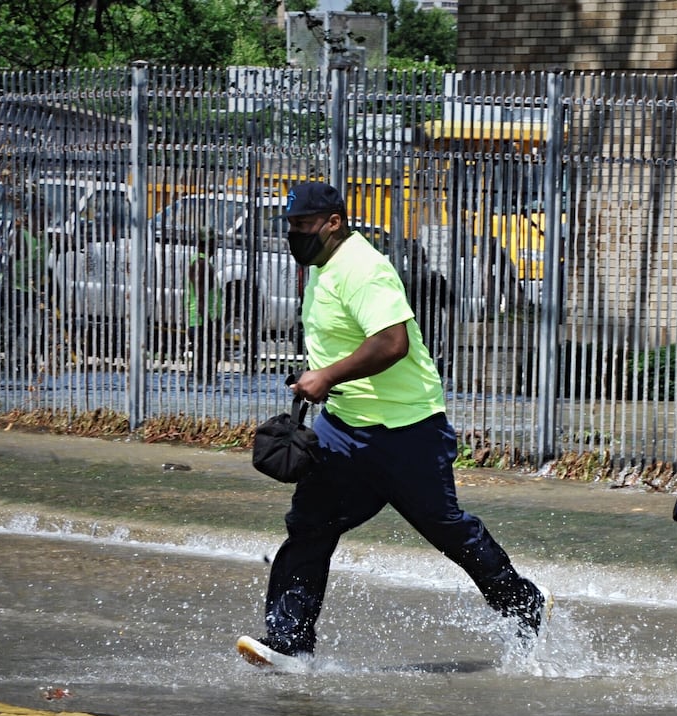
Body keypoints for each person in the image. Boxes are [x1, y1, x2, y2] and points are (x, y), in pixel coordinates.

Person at [237, 181, 550, 670]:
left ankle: (522, 601)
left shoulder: (363, 269)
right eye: (291, 226)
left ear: (333, 222)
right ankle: (289, 644)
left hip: (407, 431)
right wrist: (315, 377)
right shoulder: (322, 267)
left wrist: (328, 375)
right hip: (345, 429)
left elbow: (391, 344)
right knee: (309, 528)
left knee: (449, 531)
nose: (294, 235)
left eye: (302, 225)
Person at [185, 228, 223, 384]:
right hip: (203, 322)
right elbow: (201, 296)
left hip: (205, 320)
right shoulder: (201, 265)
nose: (216, 247)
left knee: (205, 361)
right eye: (214, 243)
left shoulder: (202, 263)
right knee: (204, 364)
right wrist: (208, 320)